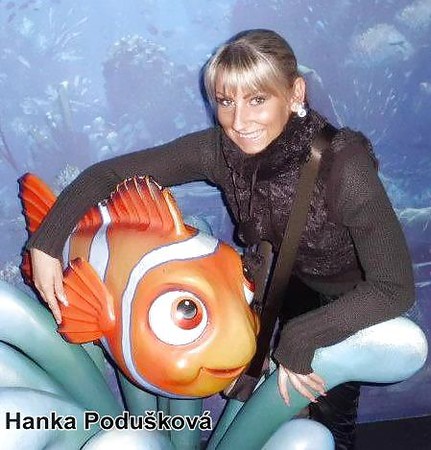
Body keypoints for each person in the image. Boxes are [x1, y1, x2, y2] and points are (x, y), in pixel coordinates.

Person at [25, 29, 414, 450]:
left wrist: (300, 338)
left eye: (257, 100)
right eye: (226, 102)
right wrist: (46, 243)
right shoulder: (219, 150)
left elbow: (394, 288)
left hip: (346, 296)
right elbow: (108, 175)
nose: (239, 122)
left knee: (328, 416)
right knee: (268, 403)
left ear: (295, 93)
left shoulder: (345, 166)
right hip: (277, 281)